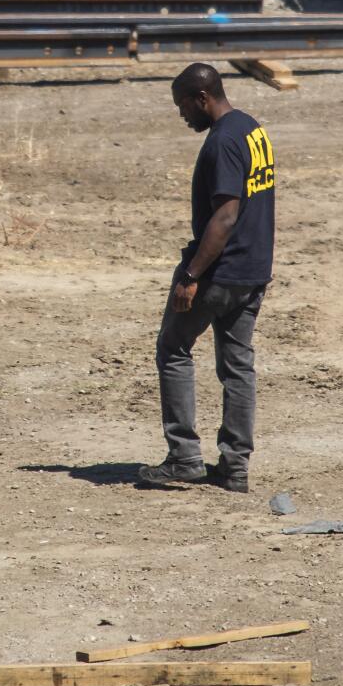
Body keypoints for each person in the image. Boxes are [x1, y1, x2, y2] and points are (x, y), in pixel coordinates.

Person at [139, 63, 276, 492]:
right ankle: (235, 467)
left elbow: (227, 214)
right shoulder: (252, 128)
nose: (181, 115)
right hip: (253, 269)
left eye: (182, 105)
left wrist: (191, 274)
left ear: (202, 98)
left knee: (173, 348)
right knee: (237, 366)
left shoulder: (222, 142)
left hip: (218, 270)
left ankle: (184, 456)